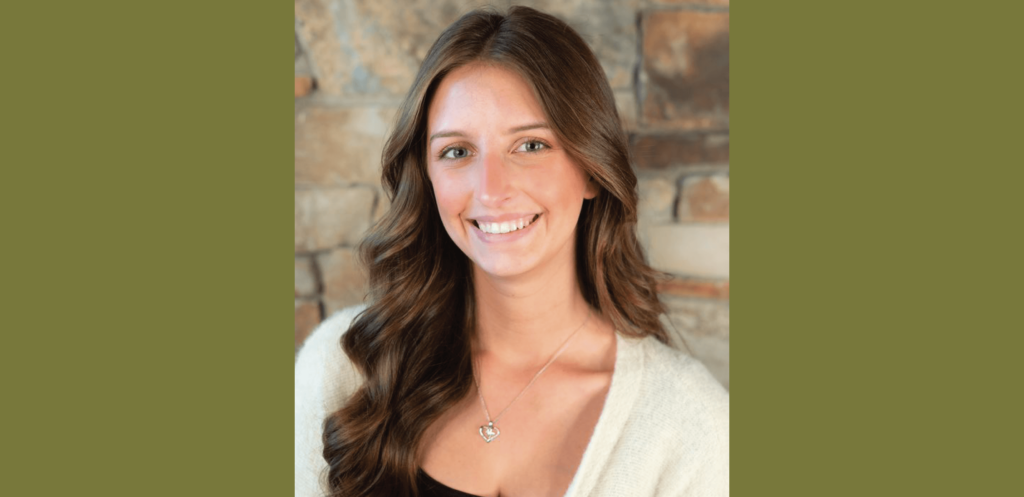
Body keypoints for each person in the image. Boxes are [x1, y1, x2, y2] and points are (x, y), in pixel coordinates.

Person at [295, 6, 728, 497]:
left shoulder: (692, 428)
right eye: (457, 152)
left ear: (590, 167)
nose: (491, 190)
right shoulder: (343, 369)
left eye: (530, 146)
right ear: (428, 176)